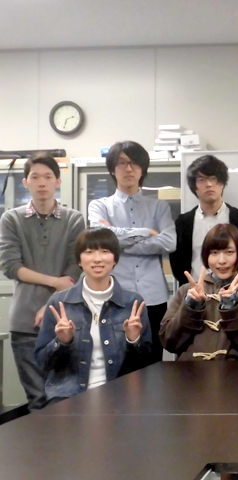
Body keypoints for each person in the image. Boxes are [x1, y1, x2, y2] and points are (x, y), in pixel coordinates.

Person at [0, 152, 85, 410]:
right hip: (25, 322)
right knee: (37, 400)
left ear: (58, 181)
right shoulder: (11, 219)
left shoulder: (74, 219)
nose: (41, 182)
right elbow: (11, 266)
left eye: (48, 176)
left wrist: (51, 303)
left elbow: (75, 266)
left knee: (65, 398)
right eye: (35, 177)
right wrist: (56, 282)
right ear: (25, 182)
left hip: (66, 320)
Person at [34, 228, 152, 405]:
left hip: (119, 395)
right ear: (79, 261)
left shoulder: (133, 303)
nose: (97, 259)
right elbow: (42, 362)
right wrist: (62, 342)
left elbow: (146, 363)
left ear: (115, 259)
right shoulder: (59, 303)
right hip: (68, 396)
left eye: (105, 251)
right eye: (89, 252)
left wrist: (133, 340)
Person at [88, 141, 176, 363]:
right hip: (114, 295)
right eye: (122, 163)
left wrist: (118, 243)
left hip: (153, 298)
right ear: (112, 169)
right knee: (116, 361)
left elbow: (169, 242)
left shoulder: (159, 207)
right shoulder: (99, 206)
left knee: (152, 360)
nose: (128, 169)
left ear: (143, 169)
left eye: (134, 163)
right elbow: (101, 238)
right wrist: (145, 232)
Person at [160, 224, 238, 360]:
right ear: (206, 256)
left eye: (229, 252)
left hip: (237, 371)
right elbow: (169, 342)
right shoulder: (187, 291)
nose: (221, 261)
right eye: (214, 253)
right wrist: (191, 306)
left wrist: (233, 308)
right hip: (190, 370)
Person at [170, 154, 238, 285]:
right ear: (194, 186)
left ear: (222, 184)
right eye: (201, 179)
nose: (208, 184)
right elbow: (177, 263)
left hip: (234, 291)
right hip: (195, 291)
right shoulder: (182, 224)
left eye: (213, 179)